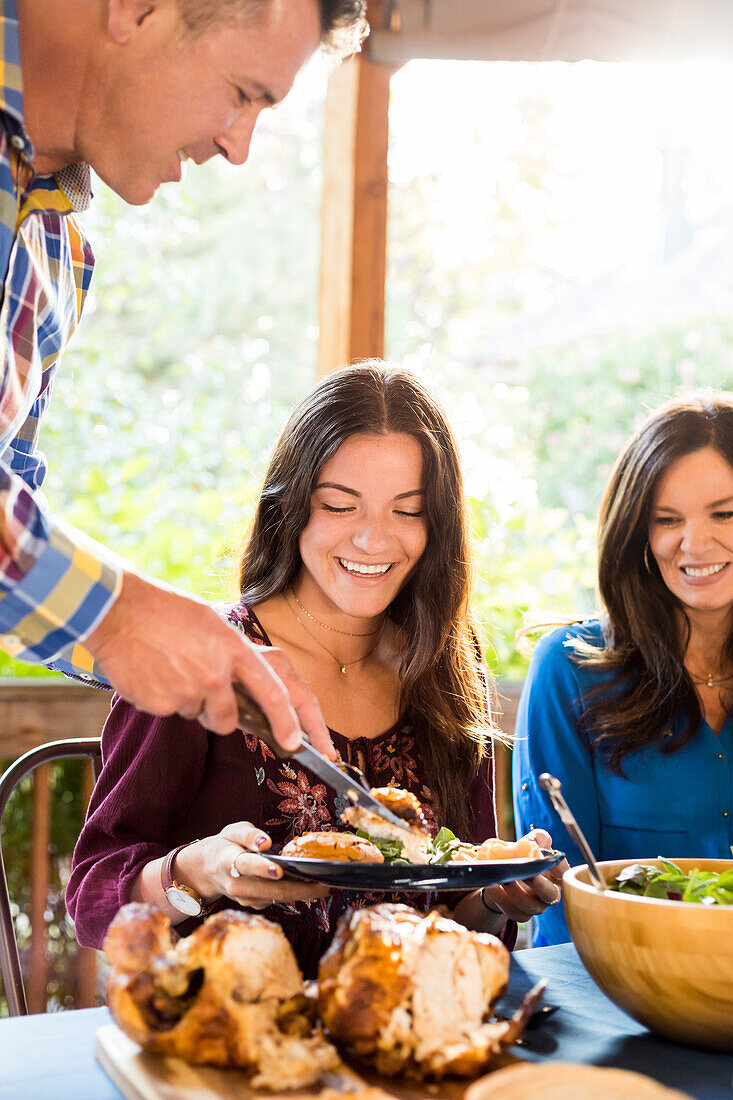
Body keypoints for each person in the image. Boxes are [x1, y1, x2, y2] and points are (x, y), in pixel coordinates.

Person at [68, 362, 565, 976]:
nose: (373, 540)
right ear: (293, 506)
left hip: (397, 1028)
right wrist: (196, 871)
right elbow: (91, 898)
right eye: (339, 505)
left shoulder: (448, 664)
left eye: (407, 511)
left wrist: (495, 895)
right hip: (233, 1031)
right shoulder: (206, 657)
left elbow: (451, 917)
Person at [0, 0, 366, 751]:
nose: (238, 148)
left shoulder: (57, 257)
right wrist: (119, 612)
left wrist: (208, 656)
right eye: (243, 94)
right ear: (137, 9)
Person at [513, 392, 733, 947]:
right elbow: (563, 904)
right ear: (637, 532)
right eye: (667, 519)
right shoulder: (568, 671)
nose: (696, 542)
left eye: (725, 513)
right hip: (616, 1004)